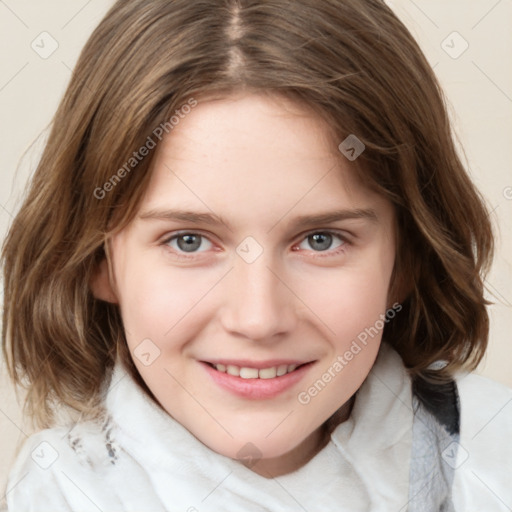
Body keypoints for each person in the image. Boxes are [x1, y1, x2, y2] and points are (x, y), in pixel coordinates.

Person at [2, 0, 511, 510]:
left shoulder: (494, 456)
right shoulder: (56, 495)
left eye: (321, 240)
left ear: (408, 258)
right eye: (189, 241)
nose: (258, 319)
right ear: (97, 259)